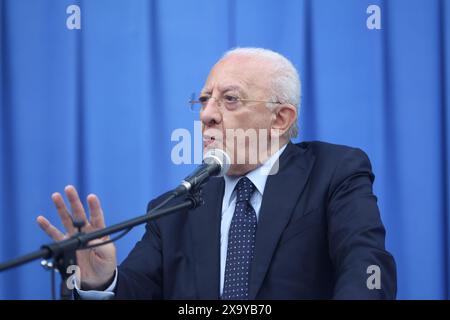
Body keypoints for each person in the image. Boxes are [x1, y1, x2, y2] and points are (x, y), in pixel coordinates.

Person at [37, 47, 397, 299]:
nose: (206, 114)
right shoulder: (173, 209)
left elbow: (366, 269)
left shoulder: (333, 174)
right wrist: (100, 282)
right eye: (204, 99)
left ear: (280, 119)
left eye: (229, 99)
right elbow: (136, 290)